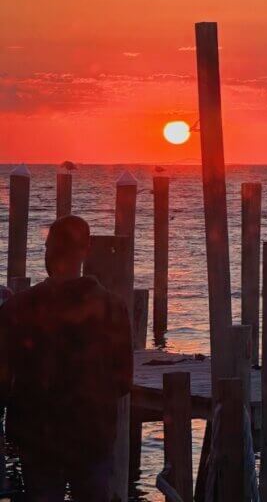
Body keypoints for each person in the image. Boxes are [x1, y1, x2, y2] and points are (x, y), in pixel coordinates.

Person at [0, 215, 133, 502]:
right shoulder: (113, 308)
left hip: (38, 437)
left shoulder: (17, 308)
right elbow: (123, 382)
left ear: (48, 251)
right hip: (92, 434)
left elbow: (2, 381)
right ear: (85, 250)